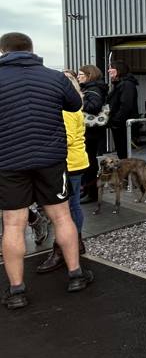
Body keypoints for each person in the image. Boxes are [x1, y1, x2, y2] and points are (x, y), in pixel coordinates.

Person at [0, 32, 94, 309]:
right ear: (32, 50)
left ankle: (17, 290)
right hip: (51, 160)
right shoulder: (54, 78)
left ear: (3, 51)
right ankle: (76, 274)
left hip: (9, 162)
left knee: (13, 224)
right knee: (62, 216)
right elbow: (76, 105)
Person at [36, 72, 89, 273]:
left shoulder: (66, 111)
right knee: (72, 207)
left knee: (64, 211)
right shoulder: (73, 107)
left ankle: (61, 249)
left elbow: (65, 139)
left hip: (69, 163)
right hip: (76, 161)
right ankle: (76, 243)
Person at [77, 64, 109, 203]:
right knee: (89, 161)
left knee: (89, 162)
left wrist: (80, 100)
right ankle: (88, 190)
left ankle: (91, 193)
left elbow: (94, 108)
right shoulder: (92, 88)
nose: (78, 77)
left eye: (80, 75)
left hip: (92, 132)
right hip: (92, 131)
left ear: (89, 76)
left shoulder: (94, 89)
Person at [107, 59, 139, 160]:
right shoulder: (119, 84)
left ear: (119, 70)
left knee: (123, 152)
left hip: (123, 125)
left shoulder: (126, 84)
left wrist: (116, 121)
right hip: (120, 124)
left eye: (111, 68)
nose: (109, 70)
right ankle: (124, 173)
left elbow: (126, 106)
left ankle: (126, 174)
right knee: (121, 152)